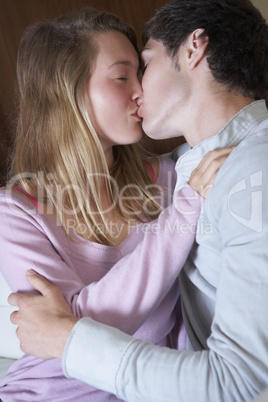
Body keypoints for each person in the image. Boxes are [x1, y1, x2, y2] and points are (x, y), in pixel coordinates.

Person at [7, 0, 268, 401]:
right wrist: (184, 209)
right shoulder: (17, 210)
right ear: (68, 90)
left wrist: (66, 334)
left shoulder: (187, 175)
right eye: (122, 76)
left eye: (142, 70)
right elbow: (62, 326)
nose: (139, 91)